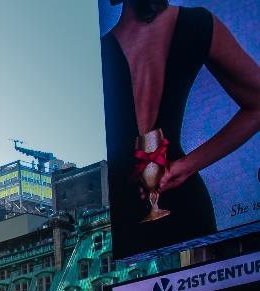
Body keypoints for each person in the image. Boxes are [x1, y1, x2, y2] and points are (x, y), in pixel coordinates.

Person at [102, 0, 260, 258]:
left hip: (129, 218)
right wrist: (184, 168)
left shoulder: (102, 53)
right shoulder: (196, 25)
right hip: (184, 205)